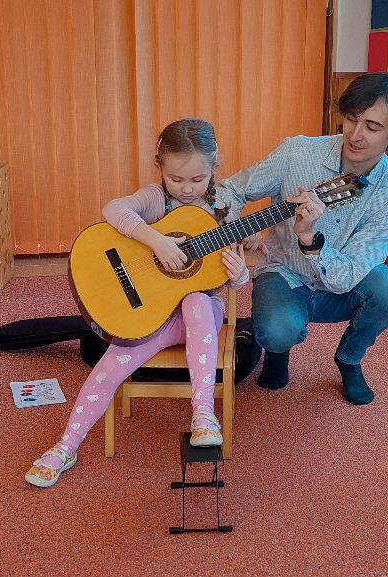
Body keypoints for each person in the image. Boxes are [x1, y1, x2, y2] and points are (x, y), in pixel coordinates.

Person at [25, 118, 249, 488]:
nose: (187, 188)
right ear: (160, 167)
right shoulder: (156, 198)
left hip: (199, 319)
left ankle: (203, 415)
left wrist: (240, 274)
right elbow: (113, 209)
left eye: (197, 179)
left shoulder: (224, 208)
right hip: (152, 314)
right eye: (176, 178)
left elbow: (236, 278)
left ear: (215, 166)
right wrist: (157, 242)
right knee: (110, 365)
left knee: (196, 300)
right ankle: (66, 446)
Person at [214, 71, 388, 405]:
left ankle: (349, 358)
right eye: (351, 119)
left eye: (372, 127)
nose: (355, 135)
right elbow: (227, 191)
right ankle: (278, 349)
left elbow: (351, 273)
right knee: (277, 331)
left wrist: (311, 241)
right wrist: (239, 223)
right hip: (284, 271)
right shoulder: (297, 153)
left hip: (342, 283)